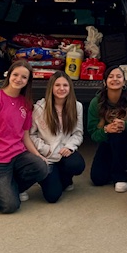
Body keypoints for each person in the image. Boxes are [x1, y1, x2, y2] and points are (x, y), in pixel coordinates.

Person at [0, 60, 48, 214]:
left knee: (42, 168)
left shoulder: (26, 103)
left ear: (28, 81)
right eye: (15, 75)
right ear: (9, 76)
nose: (18, 79)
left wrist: (38, 156)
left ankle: (9, 186)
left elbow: (25, 137)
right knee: (9, 206)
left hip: (17, 154)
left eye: (24, 77)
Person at [30, 71, 86, 203]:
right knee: (52, 196)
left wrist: (70, 147)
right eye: (57, 85)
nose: (61, 88)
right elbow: (30, 134)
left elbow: (78, 133)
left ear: (70, 88)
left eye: (65, 85)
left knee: (77, 164)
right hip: (47, 156)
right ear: (51, 88)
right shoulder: (39, 108)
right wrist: (43, 148)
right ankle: (48, 178)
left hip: (63, 153)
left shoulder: (77, 106)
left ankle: (65, 179)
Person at [87, 65, 127, 192]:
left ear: (124, 81)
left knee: (117, 132)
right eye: (110, 77)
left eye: (118, 76)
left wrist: (125, 125)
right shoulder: (96, 102)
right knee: (97, 179)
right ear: (104, 82)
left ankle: (120, 176)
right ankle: (121, 164)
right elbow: (92, 132)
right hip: (106, 142)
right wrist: (106, 129)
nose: (115, 79)